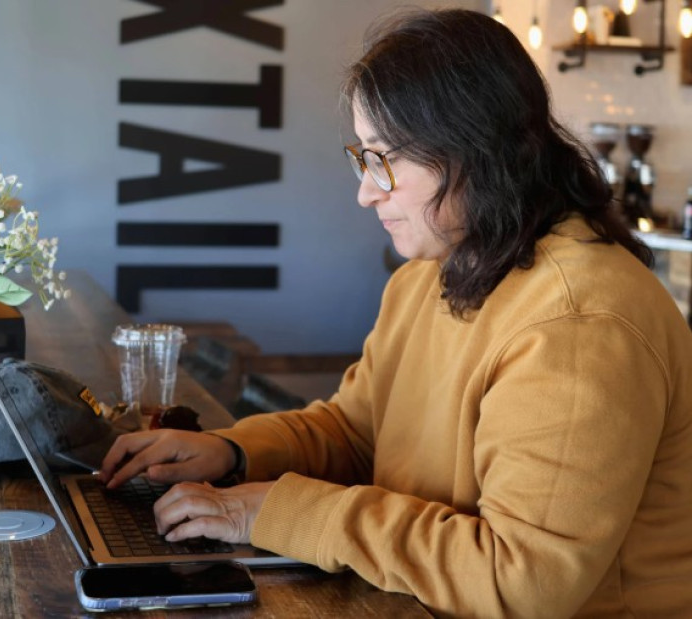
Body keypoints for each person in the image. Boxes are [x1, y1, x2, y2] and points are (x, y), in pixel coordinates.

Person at [99, 8, 692, 617]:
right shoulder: (431, 274)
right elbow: (358, 431)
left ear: (474, 150)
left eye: (385, 159)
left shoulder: (577, 322)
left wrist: (269, 509)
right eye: (363, 158)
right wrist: (231, 453)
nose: (365, 191)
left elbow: (521, 579)